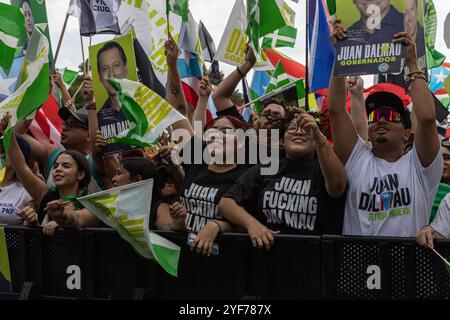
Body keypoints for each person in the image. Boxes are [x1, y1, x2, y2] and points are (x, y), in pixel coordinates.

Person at [328, 21, 443, 237]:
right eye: (375, 116)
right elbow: (336, 110)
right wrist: (341, 57)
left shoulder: (420, 167)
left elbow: (427, 118)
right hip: (358, 266)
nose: (381, 120)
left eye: (390, 115)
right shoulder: (357, 158)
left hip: (405, 267)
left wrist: (412, 63)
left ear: (407, 133)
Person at [219, 109, 347, 250]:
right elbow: (226, 202)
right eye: (292, 129)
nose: (299, 132)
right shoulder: (267, 168)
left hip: (314, 265)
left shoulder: (324, 170)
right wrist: (252, 225)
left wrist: (319, 137)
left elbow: (338, 186)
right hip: (266, 262)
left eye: (307, 130)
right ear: (282, 139)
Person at [7, 133, 98, 236]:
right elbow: (20, 166)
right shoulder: (44, 194)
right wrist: (8, 133)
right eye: (55, 166)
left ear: (81, 174)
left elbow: (76, 219)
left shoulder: (91, 204)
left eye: (66, 166)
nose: (58, 169)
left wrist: (59, 219)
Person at [96, 41, 132, 154]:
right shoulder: (98, 119)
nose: (111, 74)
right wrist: (97, 149)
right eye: (105, 68)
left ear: (125, 68)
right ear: (100, 77)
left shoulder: (146, 107)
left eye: (116, 65)